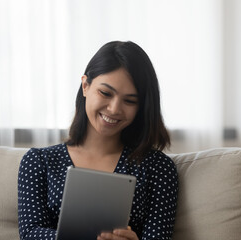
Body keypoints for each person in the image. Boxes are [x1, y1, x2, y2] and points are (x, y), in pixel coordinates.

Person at [18, 41, 178, 240]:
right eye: (105, 93)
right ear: (85, 86)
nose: (114, 109)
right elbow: (30, 233)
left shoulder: (158, 167)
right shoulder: (38, 161)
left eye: (130, 101)